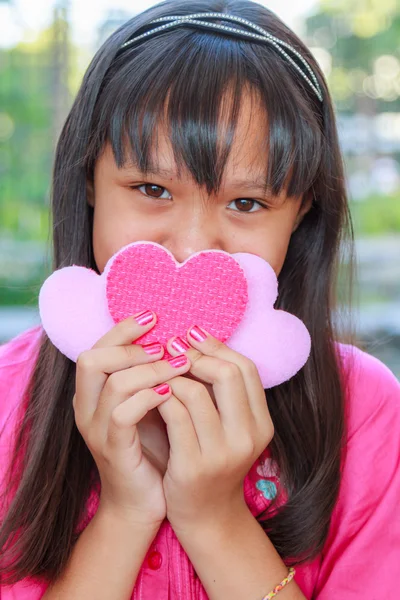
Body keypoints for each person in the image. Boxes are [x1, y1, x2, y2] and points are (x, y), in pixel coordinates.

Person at [0, 1, 399, 599]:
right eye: (151, 189)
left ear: (303, 211)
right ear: (88, 181)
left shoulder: (367, 412)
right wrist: (125, 512)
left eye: (246, 204)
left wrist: (214, 517)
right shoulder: (7, 399)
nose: (190, 249)